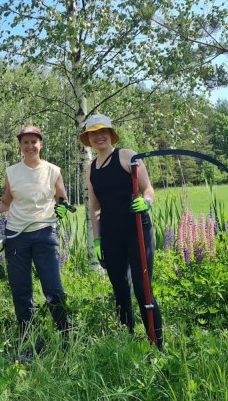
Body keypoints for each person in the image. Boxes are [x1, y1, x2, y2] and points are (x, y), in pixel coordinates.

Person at [0, 125, 72, 348]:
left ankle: (67, 335)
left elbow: (62, 199)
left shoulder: (52, 171)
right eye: (25, 142)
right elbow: (6, 203)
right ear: (20, 145)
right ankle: (27, 335)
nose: (30, 146)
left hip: (45, 234)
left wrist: (63, 208)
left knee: (53, 289)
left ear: (41, 144)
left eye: (34, 142)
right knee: (20, 289)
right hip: (16, 235)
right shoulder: (12, 172)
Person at [80, 114, 164, 350]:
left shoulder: (127, 155)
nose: (99, 137)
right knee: (120, 291)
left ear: (111, 133)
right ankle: (127, 342)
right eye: (93, 133)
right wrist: (97, 240)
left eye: (103, 131)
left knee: (142, 288)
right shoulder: (91, 168)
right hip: (110, 235)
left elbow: (148, 189)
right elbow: (95, 208)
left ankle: (156, 346)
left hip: (136, 230)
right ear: (88, 138)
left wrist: (146, 202)